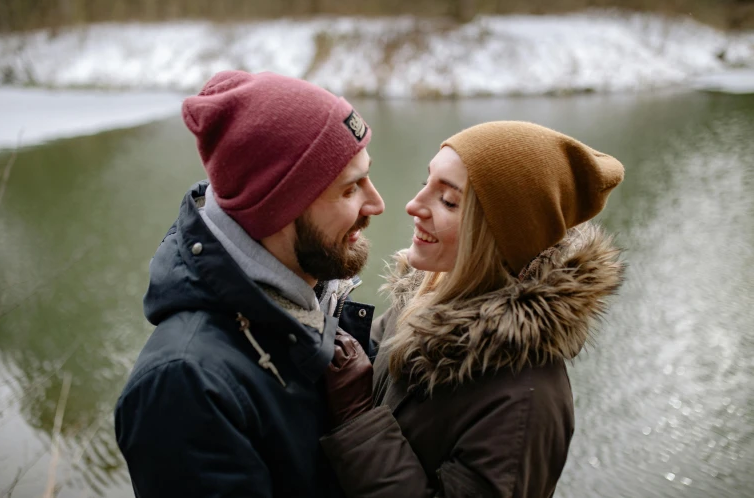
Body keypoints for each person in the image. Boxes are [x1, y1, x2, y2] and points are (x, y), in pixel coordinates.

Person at [114, 70, 385, 498]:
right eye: (350, 189)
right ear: (279, 206)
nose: (377, 203)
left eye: (367, 177)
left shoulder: (311, 300)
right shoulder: (186, 387)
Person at [322, 121, 626, 497]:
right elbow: (367, 365)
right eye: (425, 183)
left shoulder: (525, 401)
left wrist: (356, 416)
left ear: (500, 235)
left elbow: (360, 404)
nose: (413, 206)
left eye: (448, 201)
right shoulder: (428, 296)